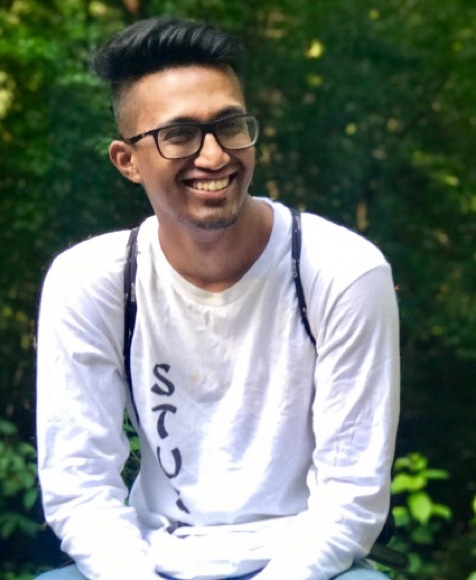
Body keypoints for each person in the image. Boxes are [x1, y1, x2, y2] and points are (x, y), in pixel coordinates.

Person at [35, 17, 400, 580]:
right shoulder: (92, 280)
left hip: (309, 562)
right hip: (147, 560)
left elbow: (351, 497)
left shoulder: (342, 272)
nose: (214, 156)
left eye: (229, 125)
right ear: (127, 161)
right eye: (179, 134)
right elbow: (79, 485)